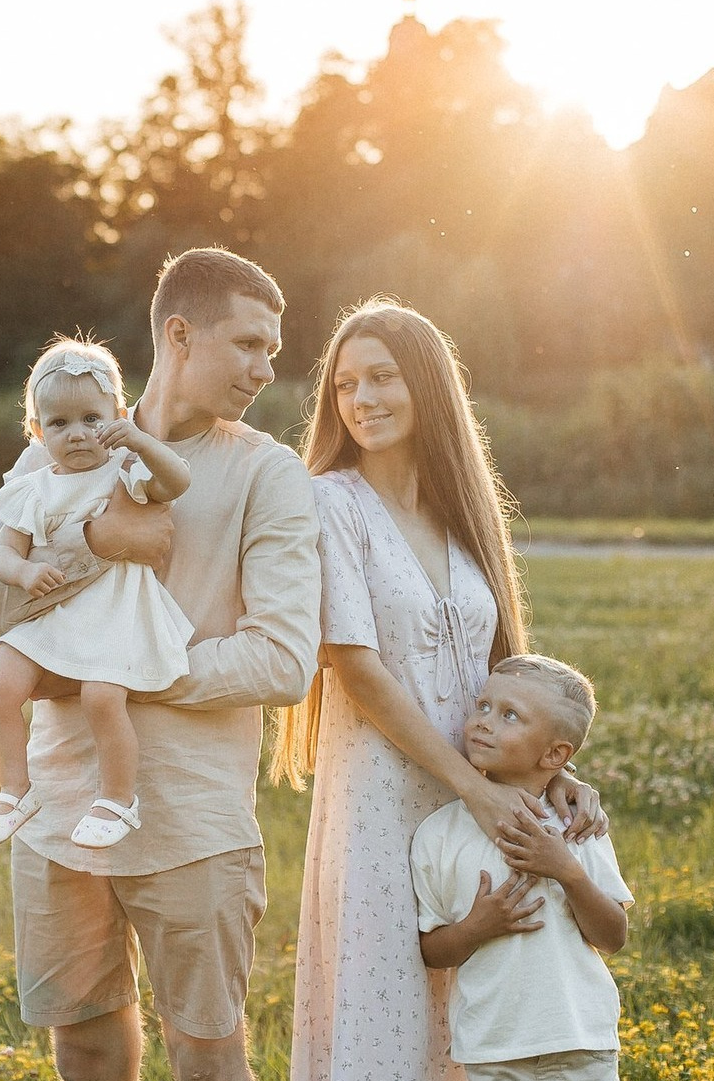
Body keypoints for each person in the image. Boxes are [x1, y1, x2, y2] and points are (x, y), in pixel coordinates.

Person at [0, 247, 321, 1081]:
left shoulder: (269, 473)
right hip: (56, 815)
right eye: (249, 345)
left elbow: (283, 661)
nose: (267, 369)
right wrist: (92, 541)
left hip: (192, 820)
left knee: (208, 1052)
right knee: (81, 1041)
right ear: (180, 334)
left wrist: (96, 669)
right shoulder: (62, 444)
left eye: (272, 349)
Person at [270, 298, 606, 1081]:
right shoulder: (331, 501)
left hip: (481, 790)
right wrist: (473, 789)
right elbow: (354, 667)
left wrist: (547, 776)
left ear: (427, 386)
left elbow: (510, 673)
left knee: (482, 994)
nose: (363, 400)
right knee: (384, 1000)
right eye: (346, 384)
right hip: (383, 794)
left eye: (383, 377)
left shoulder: (465, 515)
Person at [0, 336, 194, 852]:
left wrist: (138, 442)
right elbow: (2, 553)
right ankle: (13, 791)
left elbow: (178, 481)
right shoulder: (32, 487)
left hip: (112, 611)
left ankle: (117, 799)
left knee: (101, 697)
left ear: (116, 417)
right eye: (59, 423)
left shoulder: (125, 473)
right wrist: (25, 574)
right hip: (52, 609)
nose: (77, 434)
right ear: (36, 431)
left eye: (92, 420)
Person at [411, 655, 632, 1081]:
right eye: (483, 706)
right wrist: (477, 927)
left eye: (509, 715)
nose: (483, 722)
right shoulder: (438, 834)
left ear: (555, 754)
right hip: (493, 1046)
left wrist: (567, 871)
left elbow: (613, 936)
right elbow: (432, 951)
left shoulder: (578, 826)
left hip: (578, 1040)